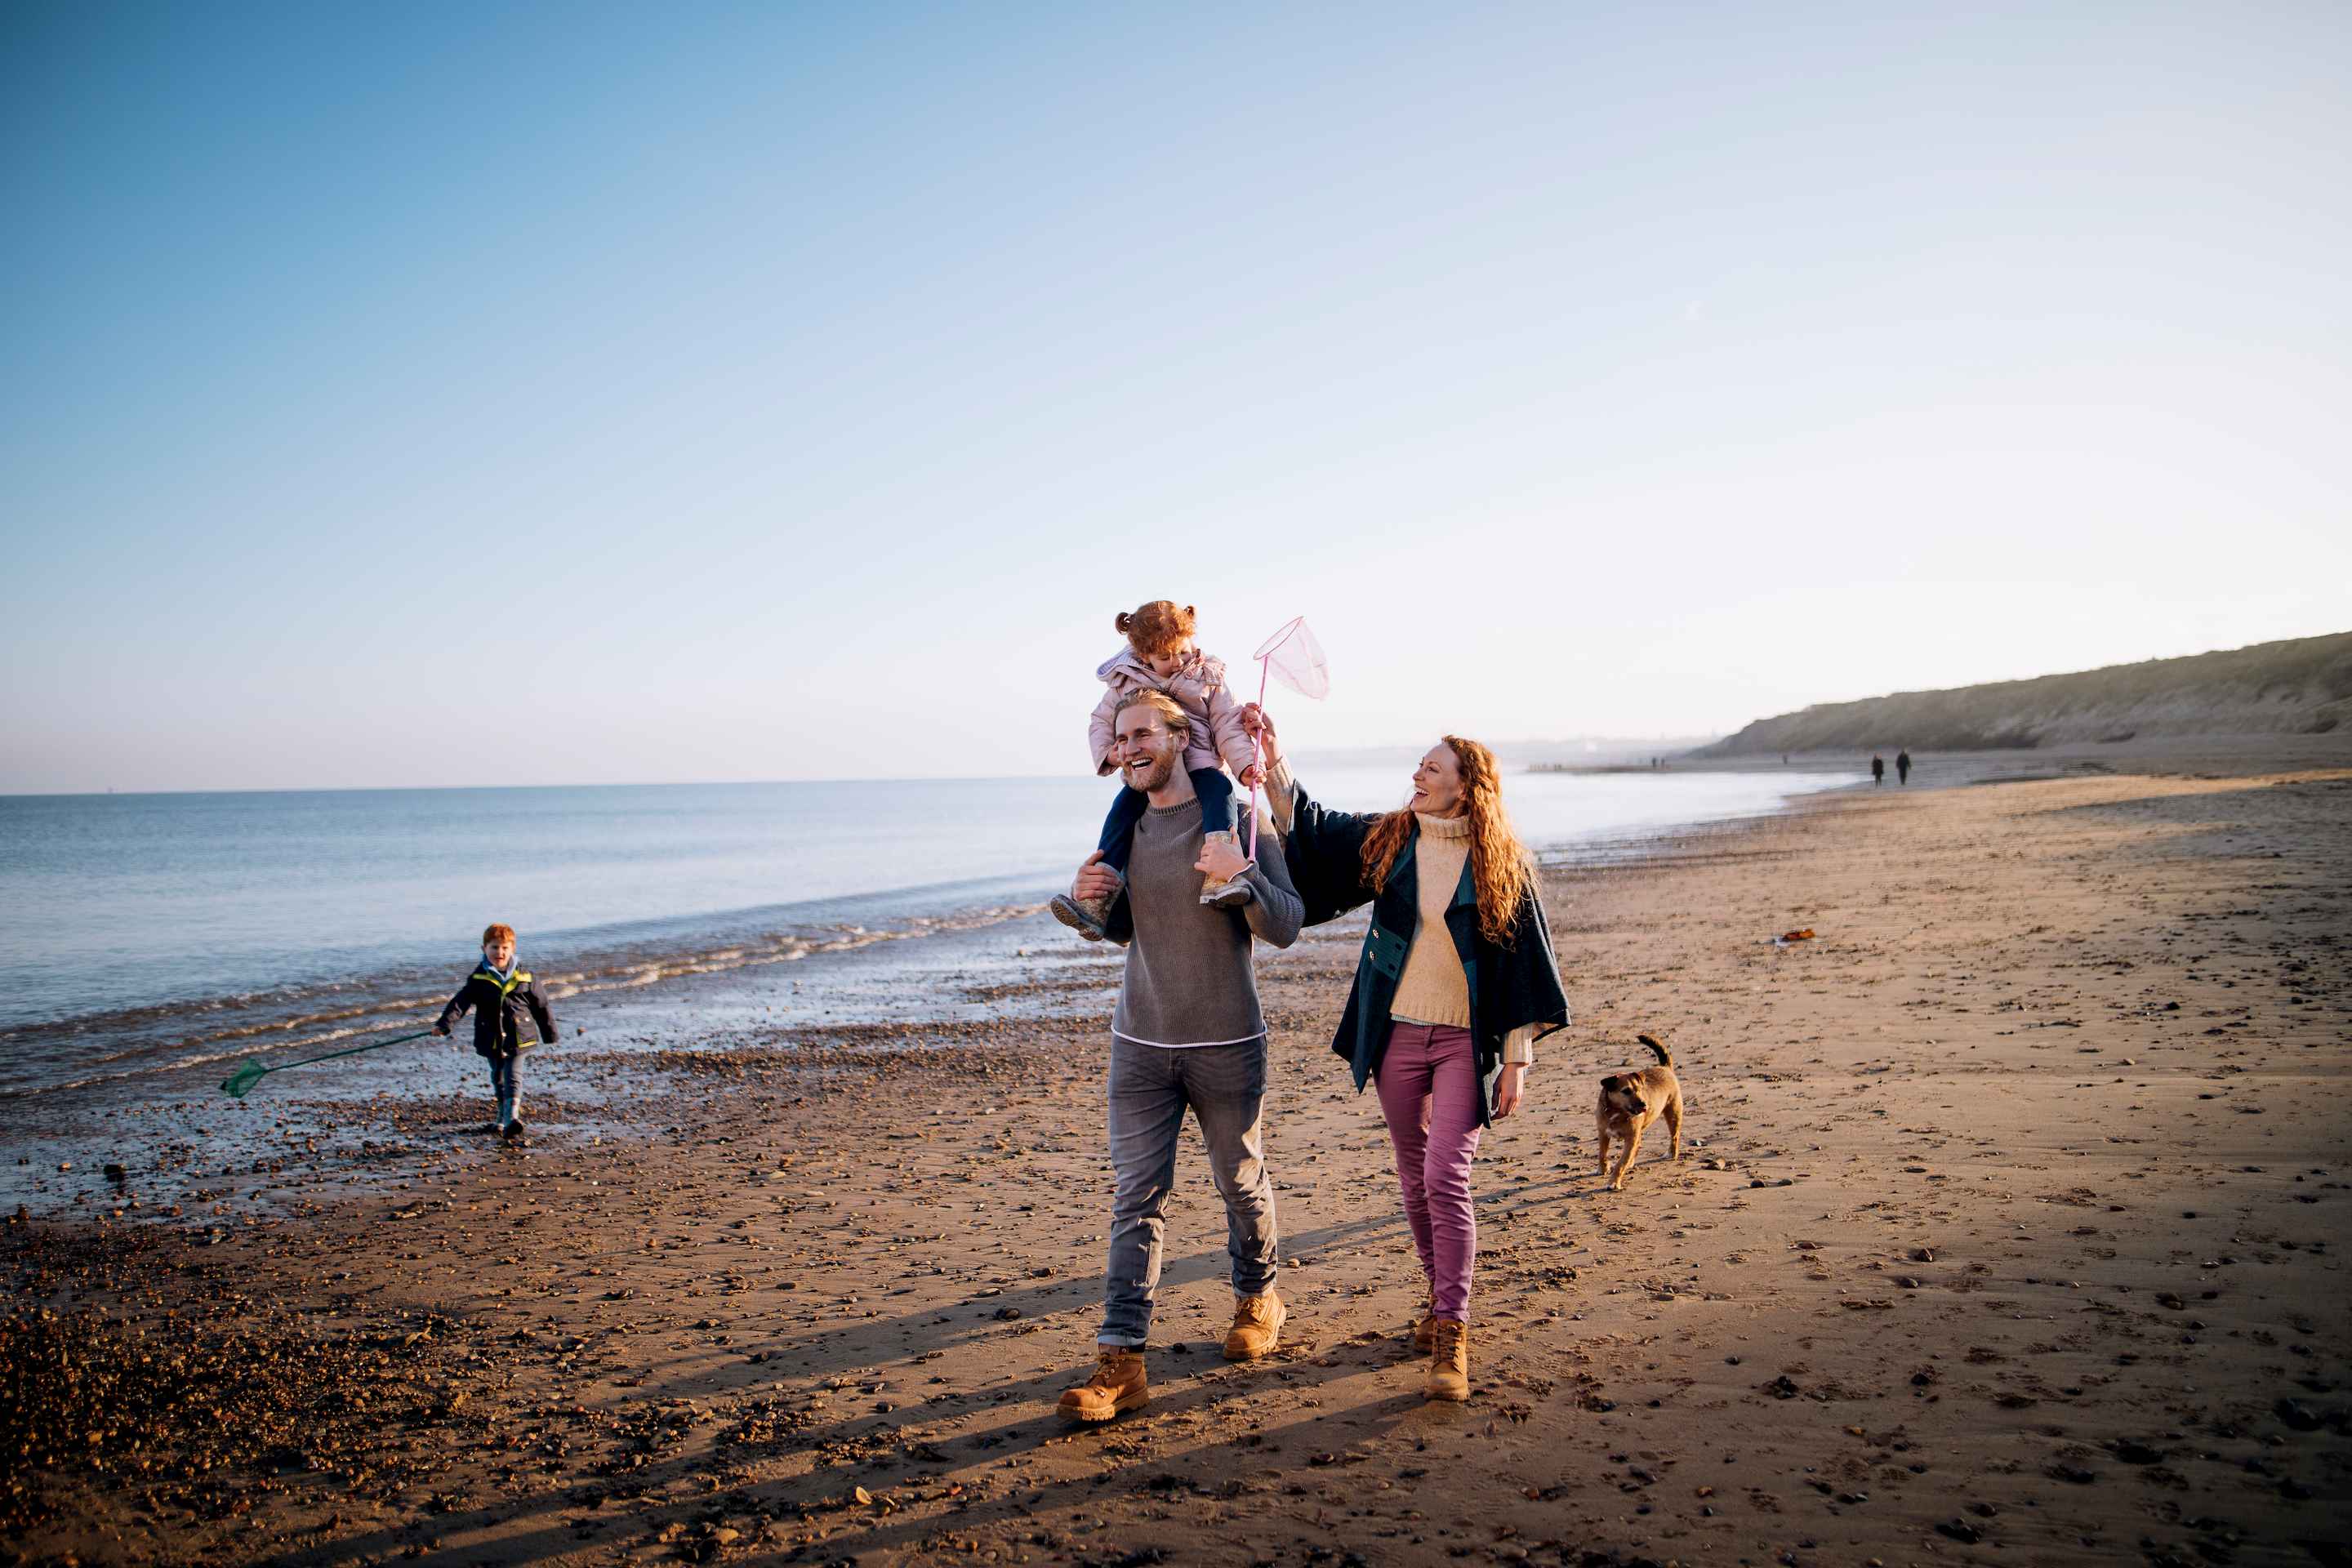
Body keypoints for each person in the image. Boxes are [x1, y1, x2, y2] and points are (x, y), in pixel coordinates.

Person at [1245, 705, 1568, 1403]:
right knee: (1416, 1173)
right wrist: (1271, 756)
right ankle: (1435, 1297)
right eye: (1419, 765)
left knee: (1447, 1176)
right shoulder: (1393, 839)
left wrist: (1515, 1059)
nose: (1418, 774)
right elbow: (1316, 825)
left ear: (1466, 787)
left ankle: (1452, 1330)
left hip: (1461, 1042)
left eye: (1433, 767)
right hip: (1394, 1035)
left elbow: (1521, 964)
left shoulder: (1499, 862)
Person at [1054, 690, 1303, 1423]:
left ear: (1178, 736)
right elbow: (1133, 930)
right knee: (1136, 1199)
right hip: (1139, 1043)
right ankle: (1121, 1359)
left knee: (1239, 1181)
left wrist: (1243, 873)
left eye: (1142, 734)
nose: (1127, 747)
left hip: (1226, 1040)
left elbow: (1284, 924)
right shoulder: (1126, 827)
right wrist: (1092, 899)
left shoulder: (1236, 818)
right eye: (1120, 735)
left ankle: (1259, 1299)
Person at [1050, 600, 1262, 942]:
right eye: (1166, 658)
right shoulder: (1125, 682)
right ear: (1143, 655)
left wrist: (1247, 764)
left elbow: (1227, 724)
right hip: (1149, 774)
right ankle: (1098, 896)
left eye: (1182, 651)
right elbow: (1102, 721)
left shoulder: (1207, 675)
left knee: (1220, 795)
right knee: (1121, 813)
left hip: (1202, 763)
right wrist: (1113, 752)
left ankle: (1220, 877)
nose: (1178, 662)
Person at [434, 922, 557, 1142]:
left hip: (520, 1036)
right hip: (489, 1037)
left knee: (513, 1076)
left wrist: (549, 1034)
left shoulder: (526, 977)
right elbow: (460, 1003)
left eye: (504, 948)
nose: (499, 953)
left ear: (513, 949)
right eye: (494, 948)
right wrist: (444, 1025)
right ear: (484, 949)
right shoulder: (479, 978)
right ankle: (501, 1115)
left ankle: (512, 1118)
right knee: (498, 1076)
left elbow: (542, 1005)